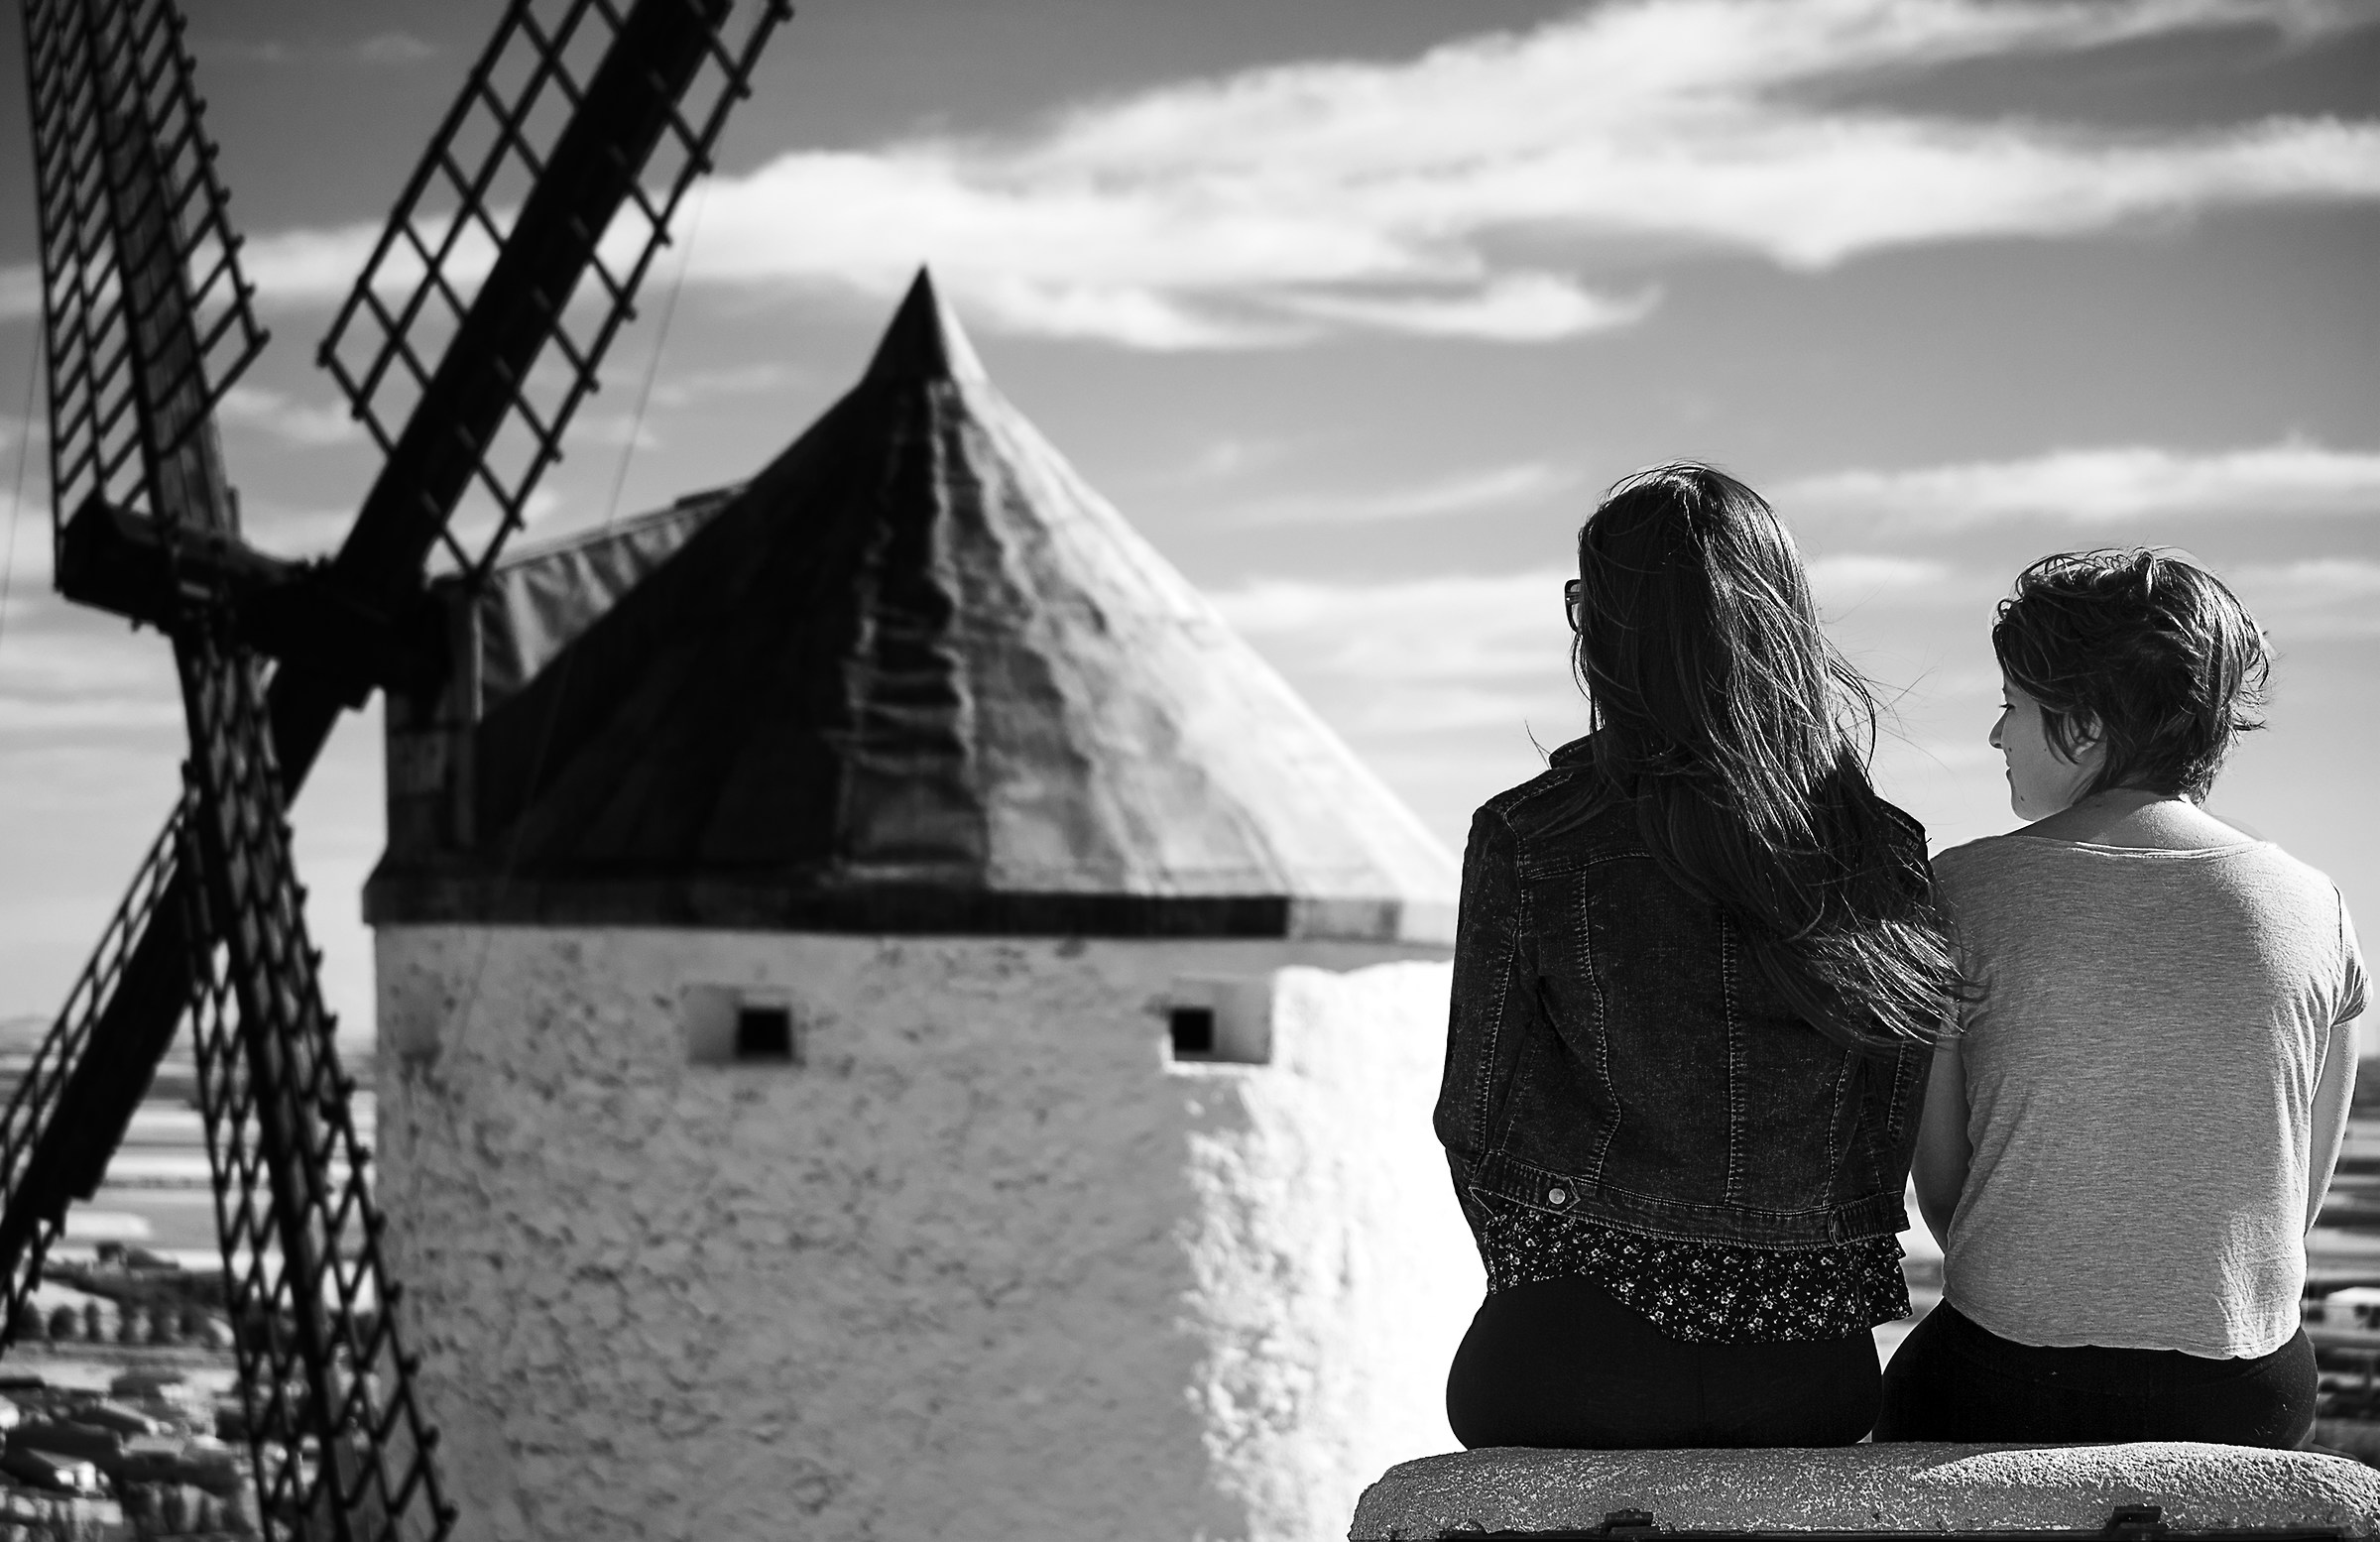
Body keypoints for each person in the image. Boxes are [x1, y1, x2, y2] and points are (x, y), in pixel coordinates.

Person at [1438, 462, 1959, 1449]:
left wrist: (1566, 1270)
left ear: (1611, 630)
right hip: (1809, 1375)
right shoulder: (1879, 847)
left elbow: (1476, 1120)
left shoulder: (1528, 834)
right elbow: (1882, 1127)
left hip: (1565, 1361)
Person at [1877, 548, 2366, 1447]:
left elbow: (1948, 1198)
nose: (1995, 738)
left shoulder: (1956, 889)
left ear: (2087, 726)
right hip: (2246, 1388)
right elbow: (2289, 1207)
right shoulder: (2317, 906)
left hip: (2009, 1372)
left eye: (2011, 707)